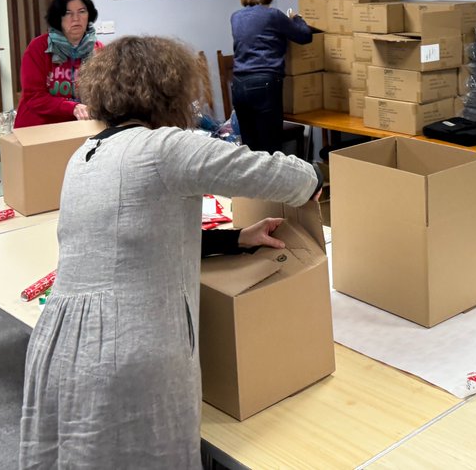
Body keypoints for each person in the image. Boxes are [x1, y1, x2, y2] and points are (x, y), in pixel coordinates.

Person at [19, 35, 322, 469]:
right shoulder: (165, 147)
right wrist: (314, 176)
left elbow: (134, 236)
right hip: (128, 346)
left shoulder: (85, 154)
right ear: (171, 90)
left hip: (58, 344)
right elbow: (276, 175)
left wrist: (235, 239)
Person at [229, 0, 313, 153]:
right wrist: (296, 19)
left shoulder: (235, 17)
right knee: (270, 146)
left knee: (250, 148)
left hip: (239, 85)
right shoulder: (273, 16)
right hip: (265, 83)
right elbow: (304, 36)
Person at [14, 0, 102, 128]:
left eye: (82, 12)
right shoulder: (39, 47)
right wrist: (72, 107)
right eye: (68, 13)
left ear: (89, 15)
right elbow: (34, 96)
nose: (76, 19)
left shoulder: (98, 50)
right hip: (39, 128)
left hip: (81, 128)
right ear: (58, 17)